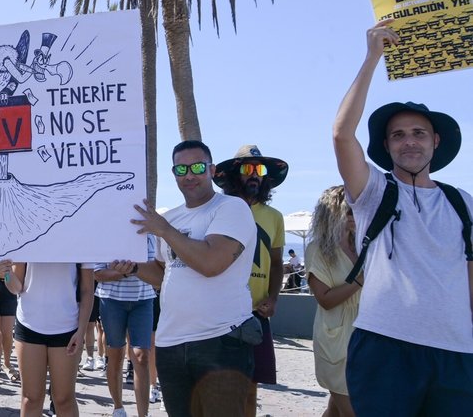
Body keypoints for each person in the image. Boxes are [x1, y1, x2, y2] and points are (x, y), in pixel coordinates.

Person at [333, 20, 473, 414]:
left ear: (435, 141)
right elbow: (342, 135)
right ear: (386, 145)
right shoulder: (374, 190)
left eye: (419, 132)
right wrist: (372, 58)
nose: (409, 140)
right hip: (384, 346)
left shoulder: (462, 202)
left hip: (457, 352)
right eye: (398, 135)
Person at [125, 140, 256, 417]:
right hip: (171, 345)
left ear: (212, 169)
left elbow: (211, 263)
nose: (189, 175)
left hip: (220, 341)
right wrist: (132, 267)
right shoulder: (171, 217)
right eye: (181, 169)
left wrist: (165, 230)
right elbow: (164, 273)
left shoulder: (232, 208)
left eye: (197, 167)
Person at [214, 145, 288, 415]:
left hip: (256, 313)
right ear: (236, 175)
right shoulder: (220, 209)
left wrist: (273, 298)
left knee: (250, 386)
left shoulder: (274, 217)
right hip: (222, 310)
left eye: (259, 169)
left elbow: (277, 263)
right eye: (247, 169)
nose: (254, 174)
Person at [1, 260, 94, 417]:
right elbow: (17, 287)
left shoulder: (81, 238)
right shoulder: (25, 237)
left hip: (67, 328)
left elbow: (87, 290)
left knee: (64, 400)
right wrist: (7, 274)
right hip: (29, 324)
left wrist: (82, 330)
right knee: (30, 399)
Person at [305, 186, 361, 417]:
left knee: (336, 408)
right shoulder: (318, 249)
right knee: (351, 409)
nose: (354, 216)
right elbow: (325, 299)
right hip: (336, 336)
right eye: (348, 211)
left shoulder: (363, 245)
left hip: (364, 333)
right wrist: (360, 281)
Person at [93, 236, 157, 417]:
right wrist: (129, 272)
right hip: (112, 301)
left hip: (143, 300)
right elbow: (98, 274)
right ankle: (118, 407)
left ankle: (143, 414)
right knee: (115, 354)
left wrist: (128, 270)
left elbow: (156, 270)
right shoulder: (107, 234)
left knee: (142, 356)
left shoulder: (150, 234)